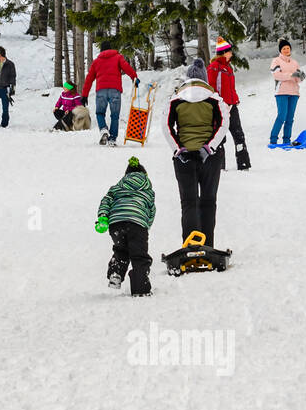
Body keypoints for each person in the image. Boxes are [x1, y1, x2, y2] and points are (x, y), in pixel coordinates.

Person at [165, 59, 229, 248]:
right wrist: (209, 147)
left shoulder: (176, 99)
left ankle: (191, 245)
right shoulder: (214, 99)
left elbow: (166, 126)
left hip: (184, 157)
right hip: (209, 157)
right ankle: (207, 245)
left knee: (189, 202)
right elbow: (224, 123)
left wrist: (178, 149)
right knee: (209, 201)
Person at [96, 156, 156, 296]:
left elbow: (106, 201)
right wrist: (146, 226)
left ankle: (115, 273)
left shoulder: (117, 187)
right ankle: (140, 289)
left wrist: (103, 217)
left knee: (121, 250)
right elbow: (151, 210)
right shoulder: (147, 190)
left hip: (116, 223)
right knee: (139, 255)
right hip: (137, 223)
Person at [81, 40, 139, 146]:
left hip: (101, 91)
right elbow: (127, 67)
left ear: (102, 50)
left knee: (100, 113)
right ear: (110, 48)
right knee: (115, 115)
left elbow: (89, 79)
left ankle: (103, 130)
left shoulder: (96, 61)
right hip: (115, 91)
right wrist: (134, 77)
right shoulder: (118, 57)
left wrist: (84, 95)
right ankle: (112, 139)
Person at [207, 37, 250, 170]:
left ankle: (243, 164)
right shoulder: (214, 67)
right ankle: (219, 166)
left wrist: (235, 99)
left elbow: (230, 88)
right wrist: (218, 103)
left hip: (232, 106)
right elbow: (211, 88)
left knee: (239, 135)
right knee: (220, 137)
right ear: (224, 53)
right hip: (220, 107)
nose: (231, 54)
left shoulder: (228, 67)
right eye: (229, 52)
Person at [269, 39, 305, 146]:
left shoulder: (295, 63)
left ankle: (286, 140)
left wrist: (300, 77)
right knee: (282, 116)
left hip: (294, 92)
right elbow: (276, 75)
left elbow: (297, 78)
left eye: (288, 48)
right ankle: (273, 139)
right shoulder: (276, 61)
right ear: (280, 50)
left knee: (290, 118)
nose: (286, 50)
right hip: (281, 92)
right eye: (284, 48)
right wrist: (290, 75)